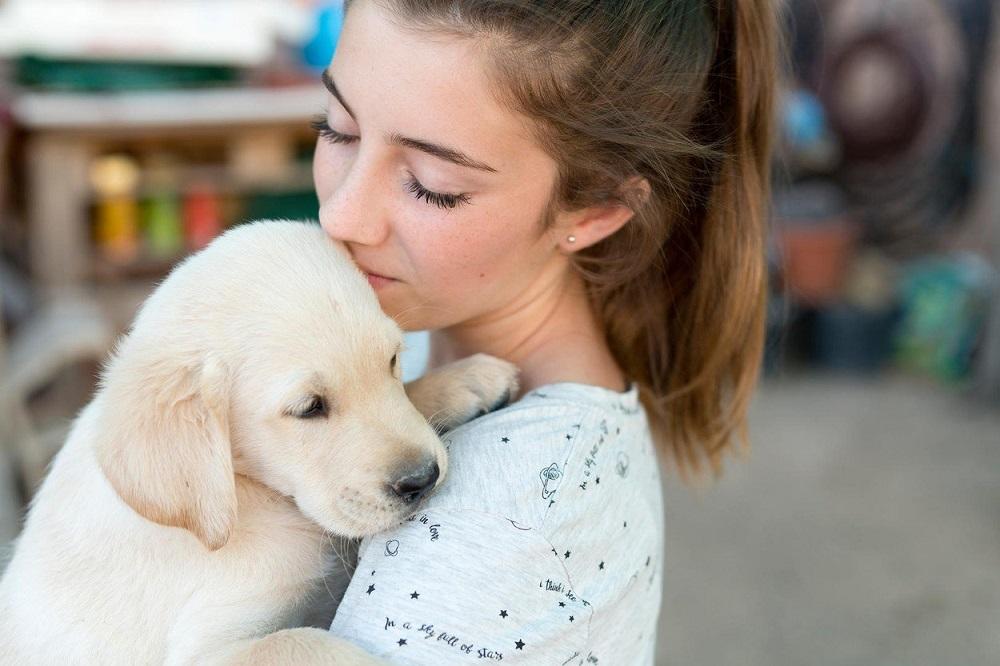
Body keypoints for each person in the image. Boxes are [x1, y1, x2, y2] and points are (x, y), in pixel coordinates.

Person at [311, 0, 779, 662]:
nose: (342, 216)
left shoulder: (512, 515)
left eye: (432, 186)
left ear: (596, 211)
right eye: (336, 130)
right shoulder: (404, 331)